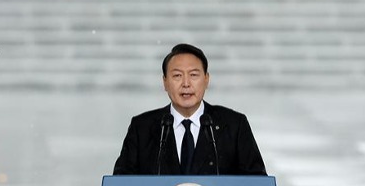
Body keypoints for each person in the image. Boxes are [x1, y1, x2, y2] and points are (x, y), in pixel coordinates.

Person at [113, 43, 267, 175]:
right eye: (177, 76)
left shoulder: (234, 125)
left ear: (206, 79)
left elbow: (255, 184)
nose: (186, 83)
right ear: (165, 82)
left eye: (193, 75)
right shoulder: (142, 128)